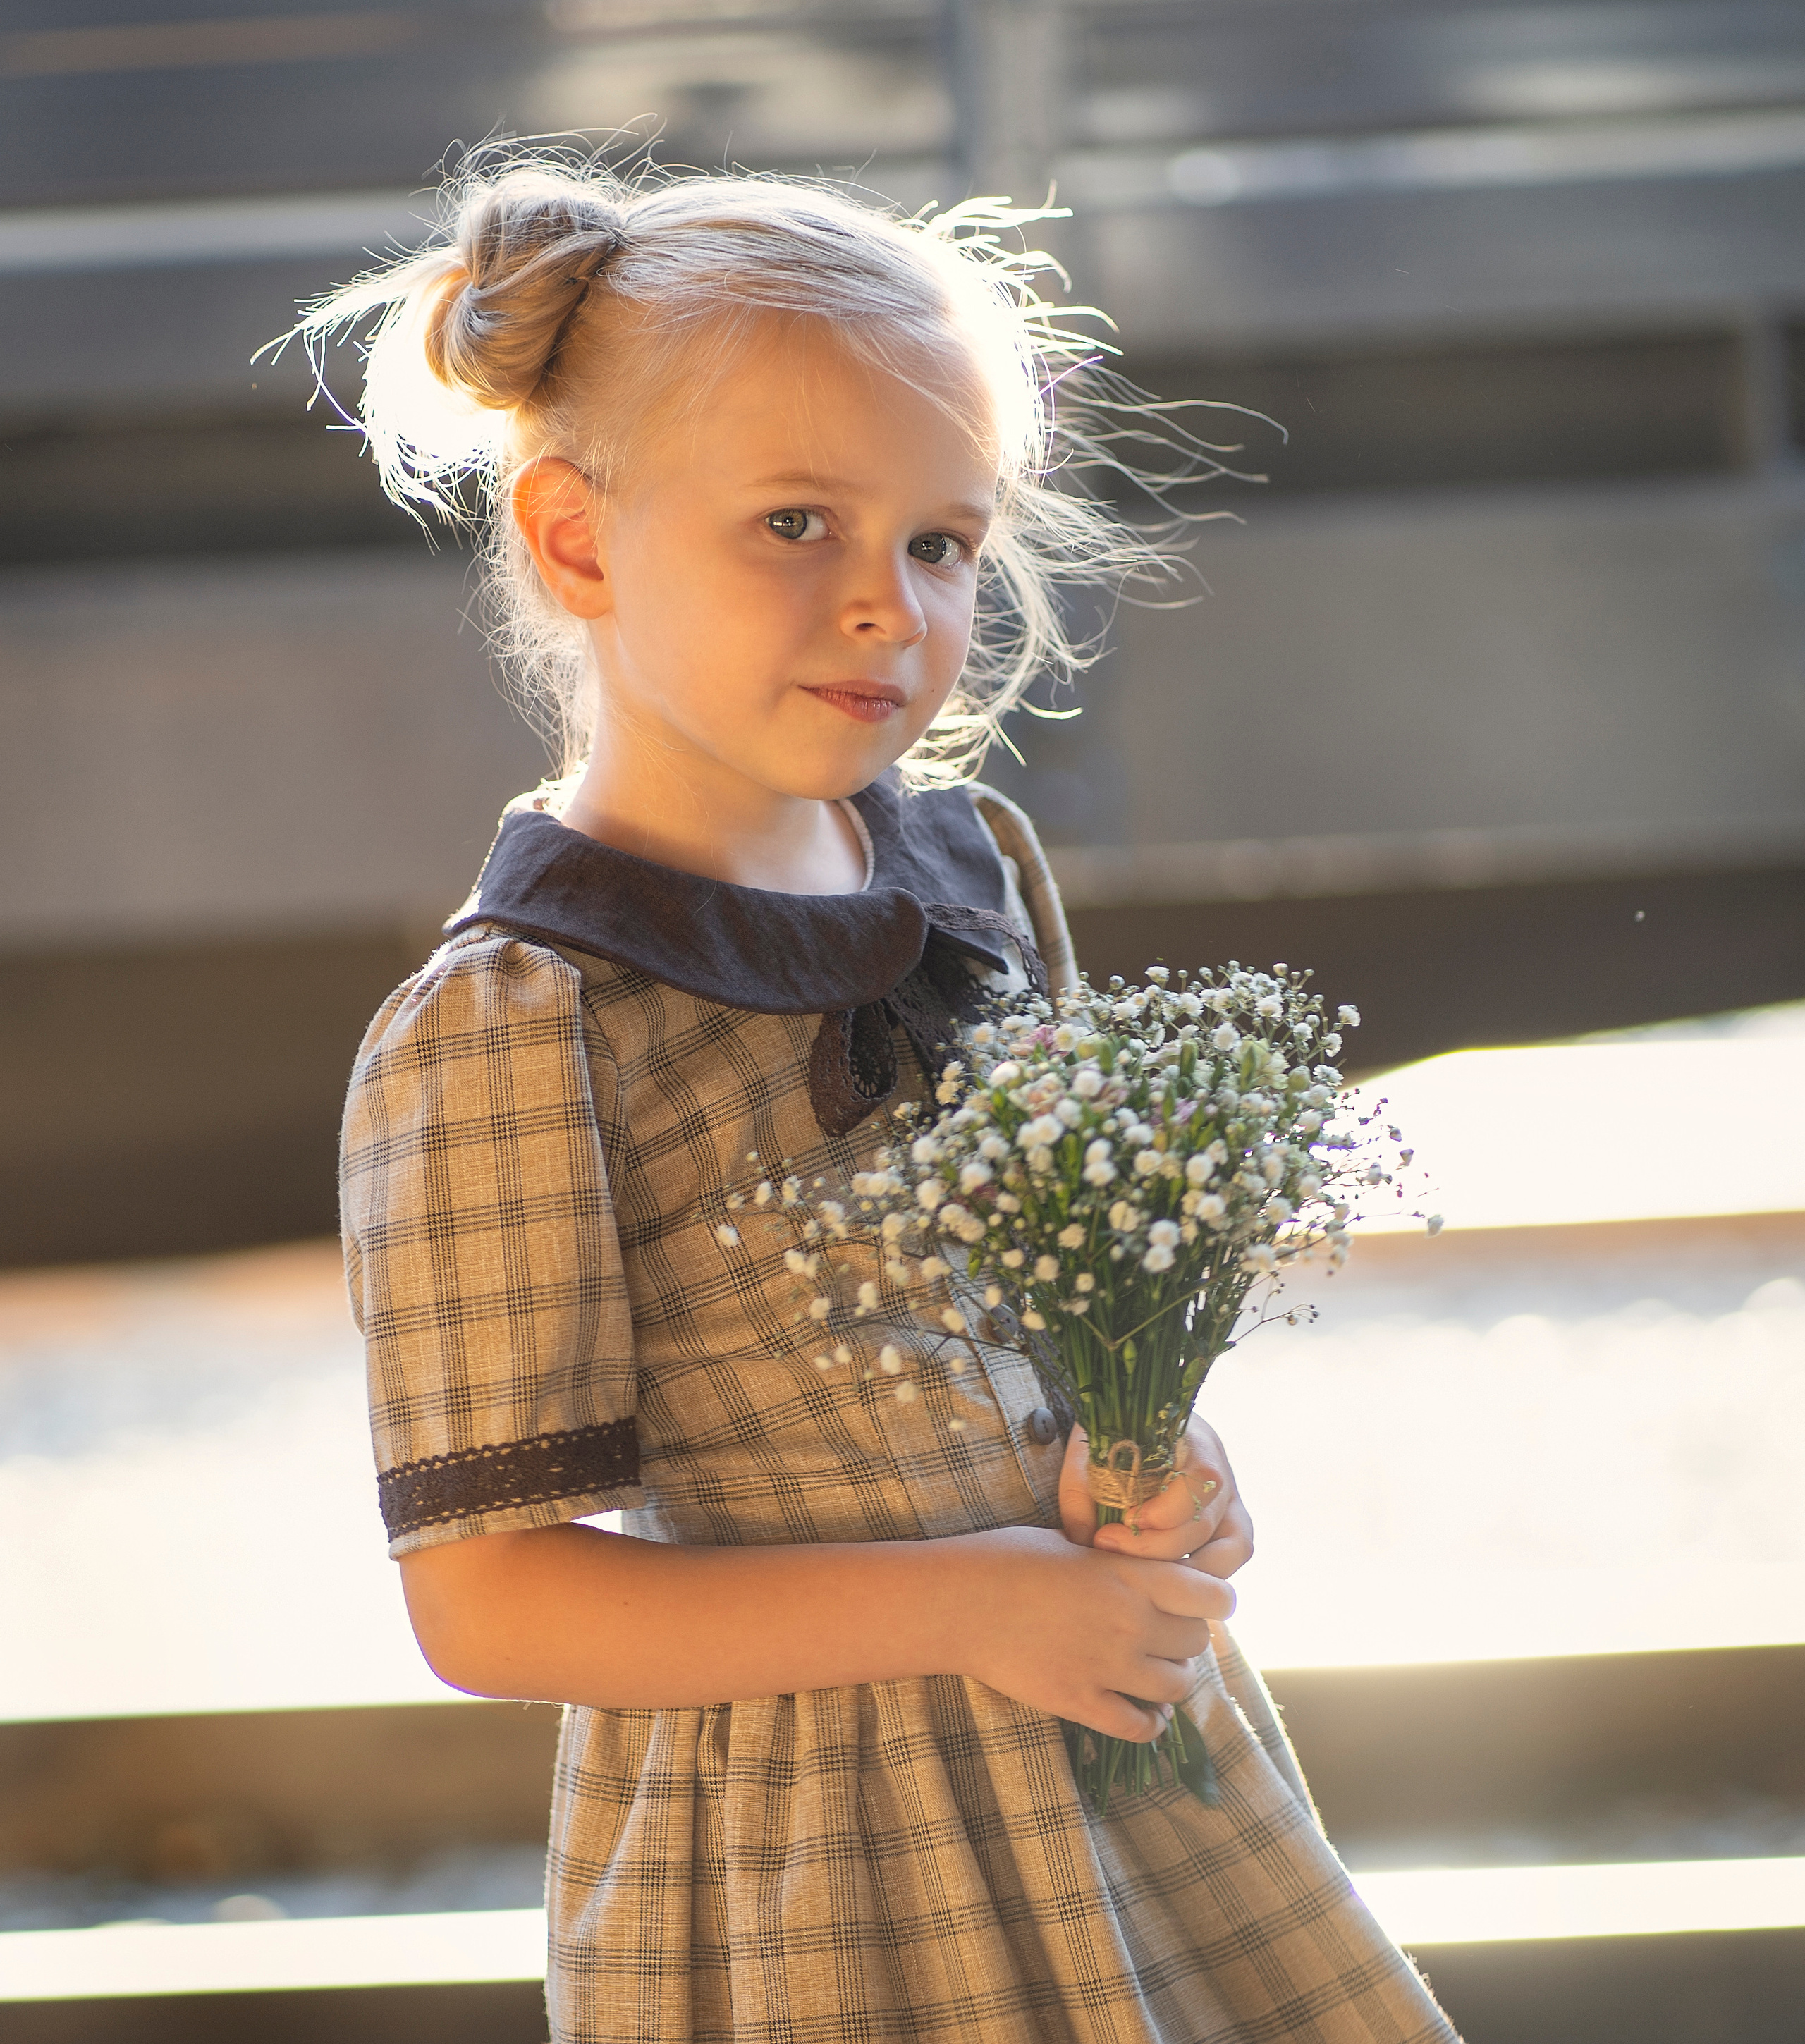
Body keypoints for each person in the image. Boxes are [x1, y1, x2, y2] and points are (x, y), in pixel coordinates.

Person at [316, 154, 1457, 2043]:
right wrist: (973, 1599)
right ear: (578, 542)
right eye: (797, 525)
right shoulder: (520, 1024)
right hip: (825, 1861)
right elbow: (491, 1603)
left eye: (940, 542)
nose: (888, 607)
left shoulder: (971, 865)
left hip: (1123, 1771)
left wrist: (1148, 1453)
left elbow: (1053, 1317)